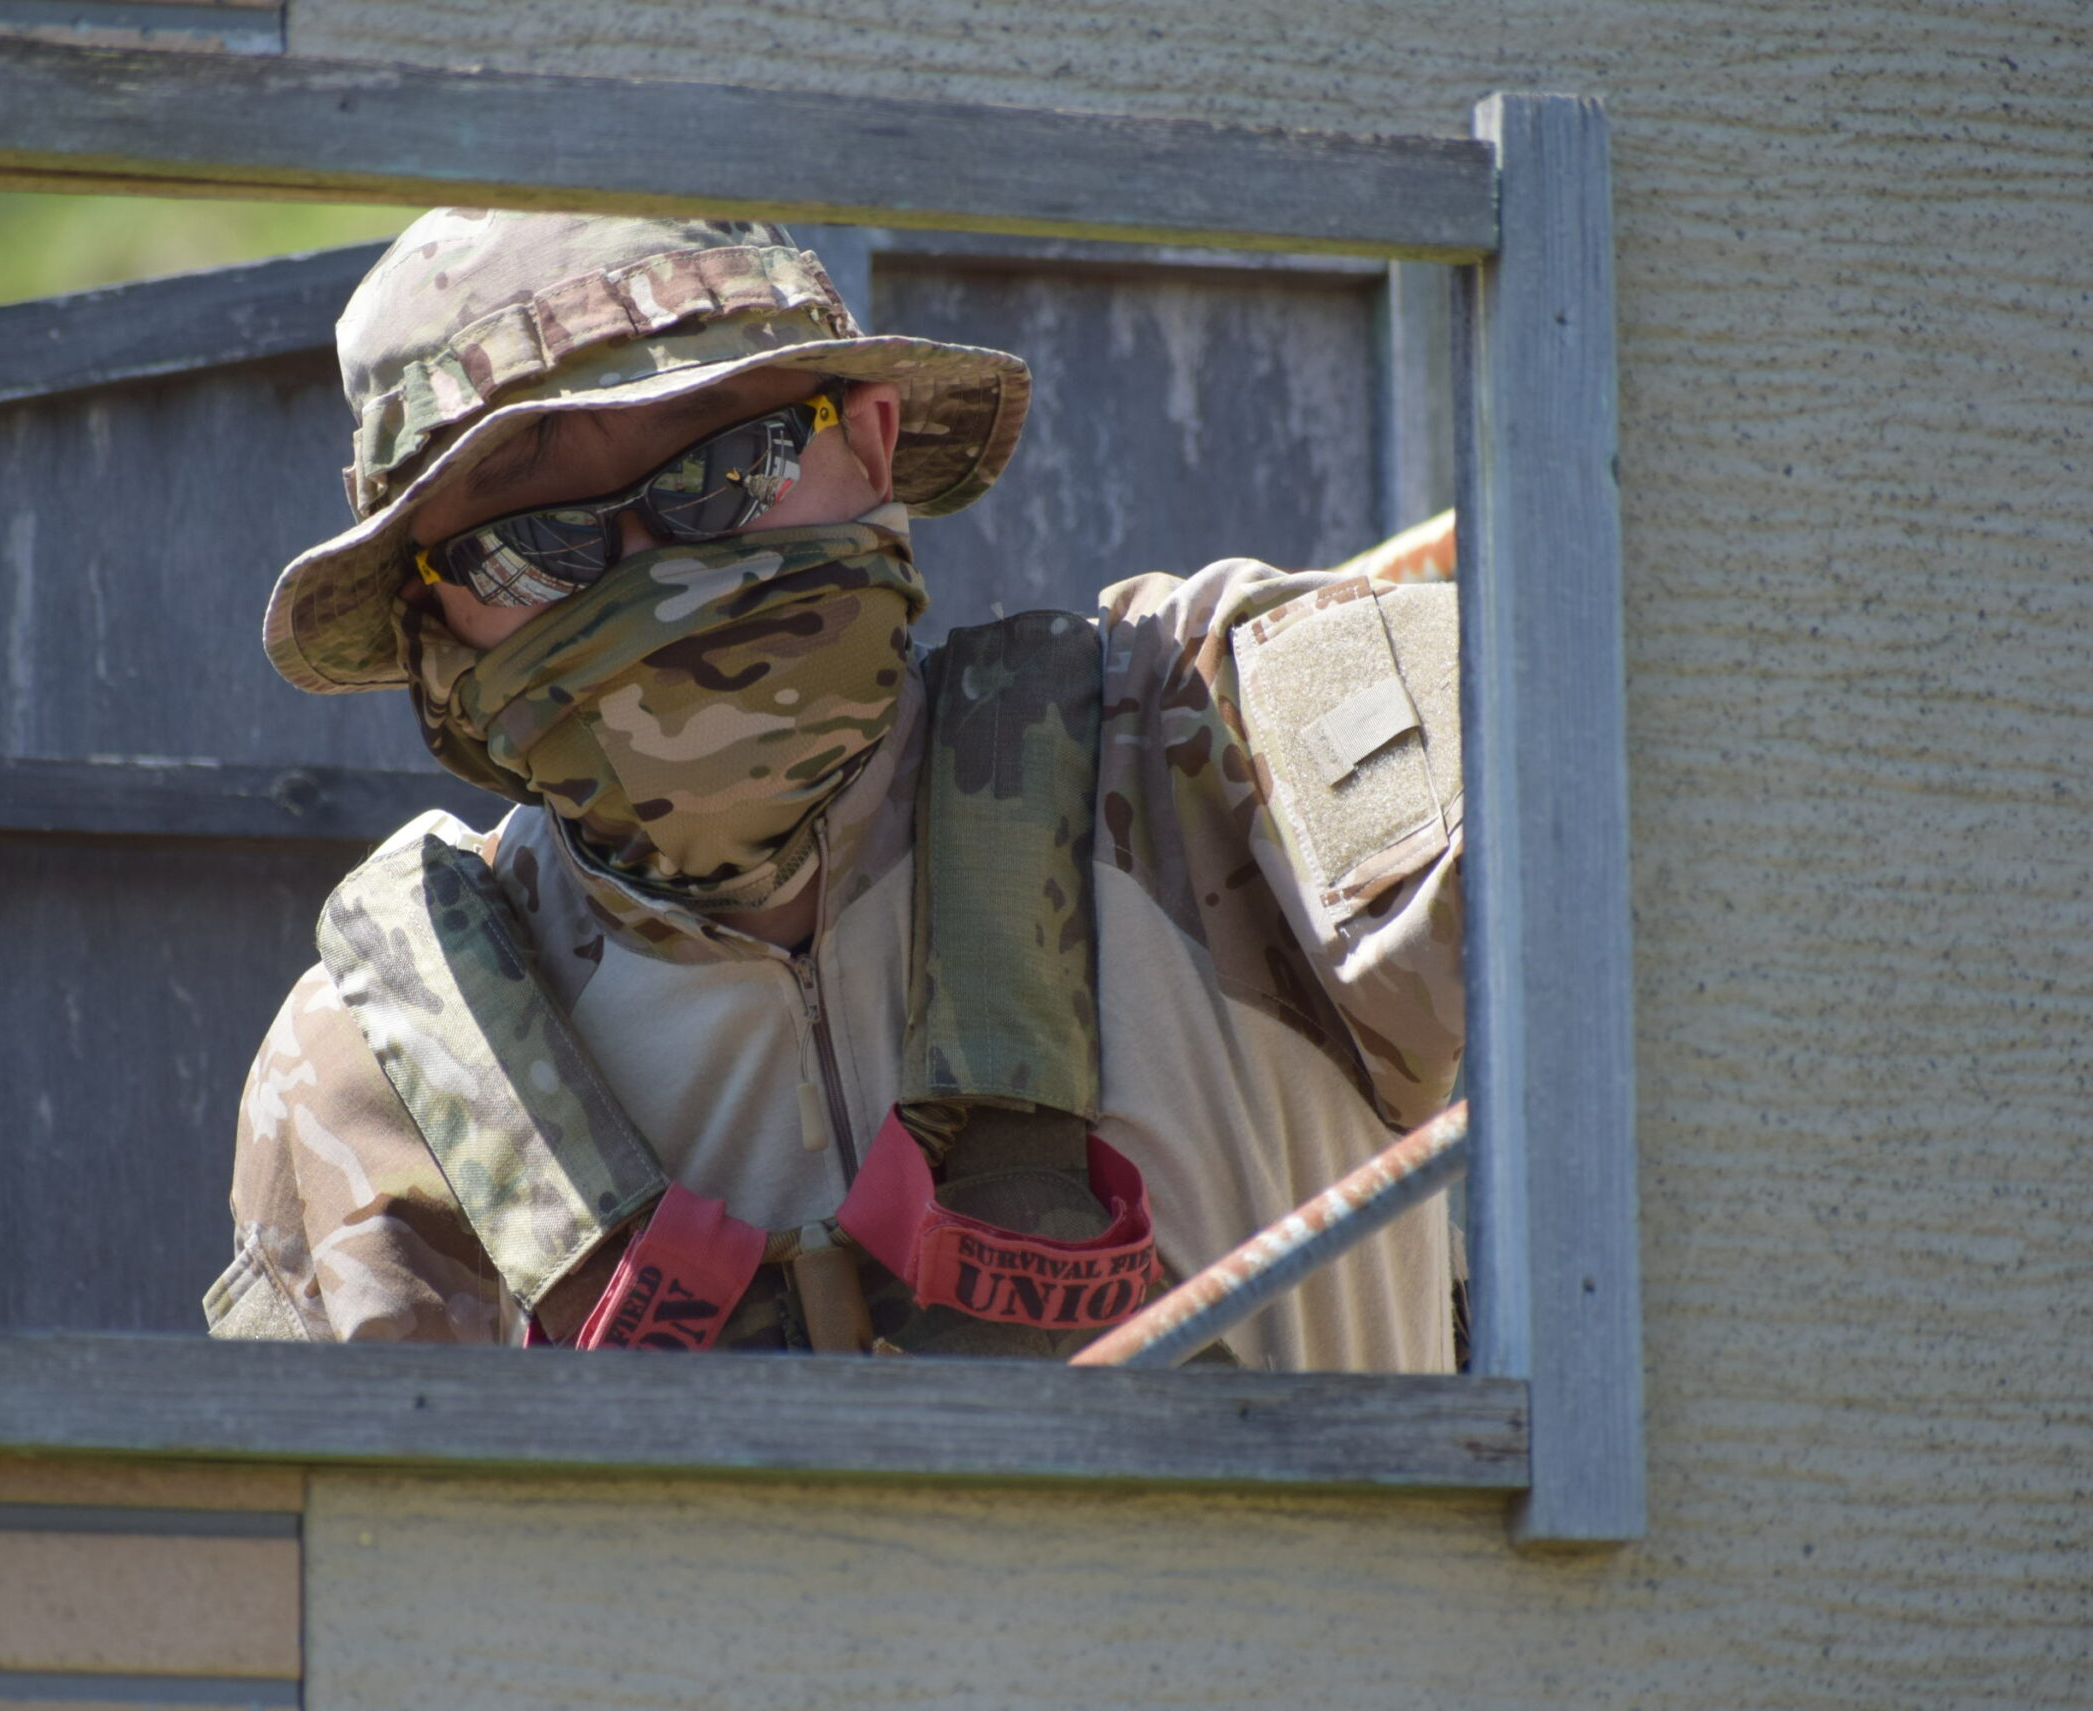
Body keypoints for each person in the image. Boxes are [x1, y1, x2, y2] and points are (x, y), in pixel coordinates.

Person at [204, 208, 1464, 1369]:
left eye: (722, 471)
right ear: (430, 629)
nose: (646, 572)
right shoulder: (373, 1073)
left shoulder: (1218, 738)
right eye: (529, 545)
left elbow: (1585, 774)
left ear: (868, 443)